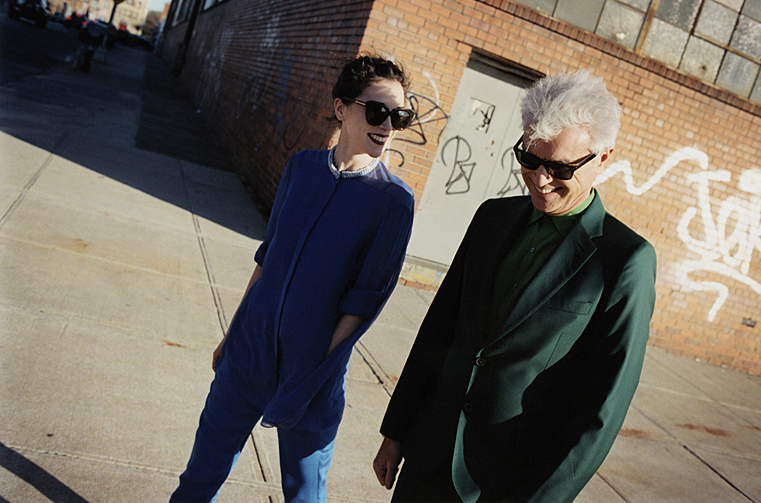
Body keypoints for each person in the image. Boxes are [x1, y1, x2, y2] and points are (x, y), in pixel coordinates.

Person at [373, 70, 657, 502]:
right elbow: (439, 329)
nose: (541, 179)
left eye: (561, 167)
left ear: (603, 158)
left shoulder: (625, 260)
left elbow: (602, 406)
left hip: (507, 482)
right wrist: (396, 431)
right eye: (530, 159)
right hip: (429, 456)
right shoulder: (492, 217)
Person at [171, 54, 416, 503]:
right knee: (198, 478)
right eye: (378, 111)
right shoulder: (300, 168)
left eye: (399, 115)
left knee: (303, 495)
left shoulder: (392, 202)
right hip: (248, 355)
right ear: (342, 108)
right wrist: (234, 333)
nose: (389, 125)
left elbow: (363, 305)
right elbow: (268, 258)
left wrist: (311, 375)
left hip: (313, 376)